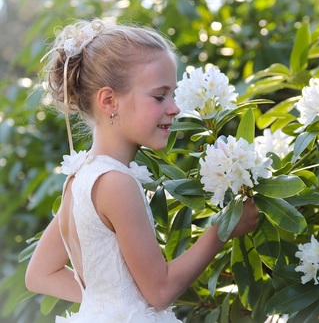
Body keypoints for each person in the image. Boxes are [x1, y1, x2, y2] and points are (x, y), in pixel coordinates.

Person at [25, 18, 259, 322]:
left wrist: (109, 301)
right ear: (109, 101)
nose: (174, 107)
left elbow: (40, 274)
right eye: (160, 96)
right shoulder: (116, 184)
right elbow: (159, 292)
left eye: (173, 95)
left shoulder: (79, 178)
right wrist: (222, 231)